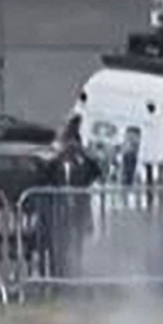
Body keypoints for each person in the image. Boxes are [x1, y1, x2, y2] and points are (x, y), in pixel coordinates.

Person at [42, 117, 101, 277]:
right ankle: (58, 273)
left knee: (77, 243)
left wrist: (84, 154)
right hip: (59, 210)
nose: (70, 148)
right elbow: (46, 175)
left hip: (79, 209)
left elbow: (95, 172)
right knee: (58, 244)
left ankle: (76, 273)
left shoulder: (82, 163)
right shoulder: (57, 163)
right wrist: (58, 155)